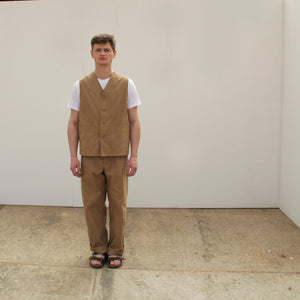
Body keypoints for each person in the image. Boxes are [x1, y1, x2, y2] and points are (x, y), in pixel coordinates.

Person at [67, 34, 141, 269]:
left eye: (107, 50)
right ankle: (98, 249)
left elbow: (134, 122)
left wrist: (134, 155)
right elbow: (73, 123)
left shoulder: (127, 84)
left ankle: (116, 250)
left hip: (118, 155)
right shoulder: (80, 86)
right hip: (89, 155)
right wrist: (73, 156)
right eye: (98, 49)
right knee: (93, 204)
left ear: (114, 54)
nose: (102, 53)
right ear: (91, 54)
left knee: (118, 205)